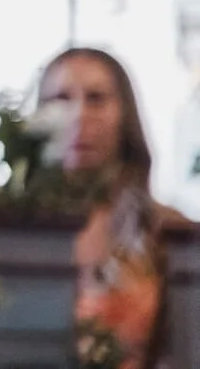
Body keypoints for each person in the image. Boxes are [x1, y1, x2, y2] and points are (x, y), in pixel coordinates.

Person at [39, 46, 185, 368]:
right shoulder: (8, 229)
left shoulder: (167, 231)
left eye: (96, 98)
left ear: (124, 114)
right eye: (61, 99)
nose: (79, 114)